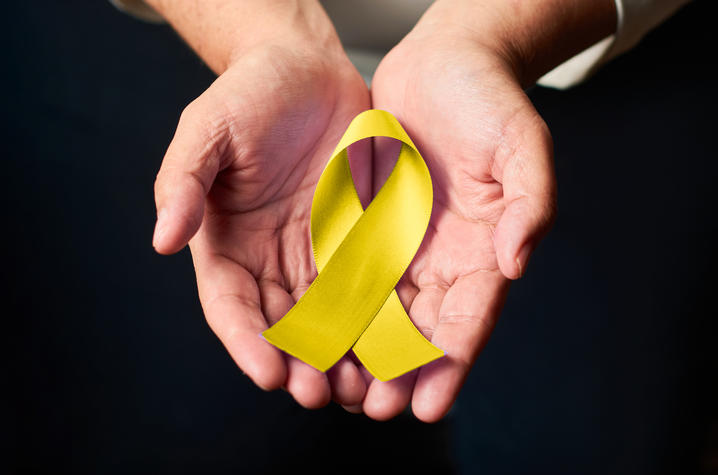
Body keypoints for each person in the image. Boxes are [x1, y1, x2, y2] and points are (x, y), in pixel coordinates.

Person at [113, 0, 689, 422]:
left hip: (597, 63)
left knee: (576, 421)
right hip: (204, 41)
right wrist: (261, 38)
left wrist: (484, 34)